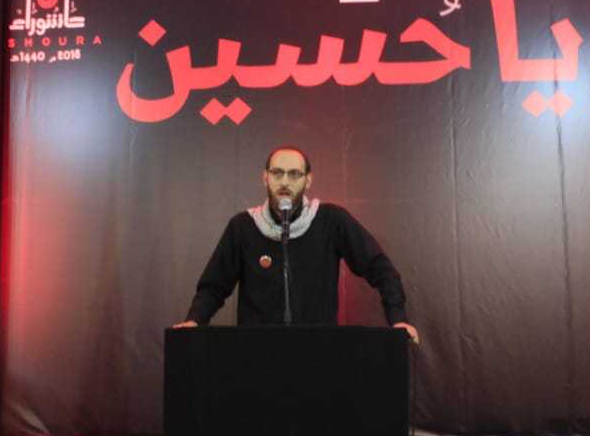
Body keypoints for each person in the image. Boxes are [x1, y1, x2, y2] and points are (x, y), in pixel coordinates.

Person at [172, 146, 419, 345]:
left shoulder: (331, 221)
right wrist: (195, 320)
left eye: (294, 174)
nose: (284, 182)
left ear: (308, 180)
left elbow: (379, 267)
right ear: (265, 177)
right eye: (277, 173)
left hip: (318, 353)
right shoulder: (243, 226)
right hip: (255, 355)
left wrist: (397, 318)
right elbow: (213, 287)